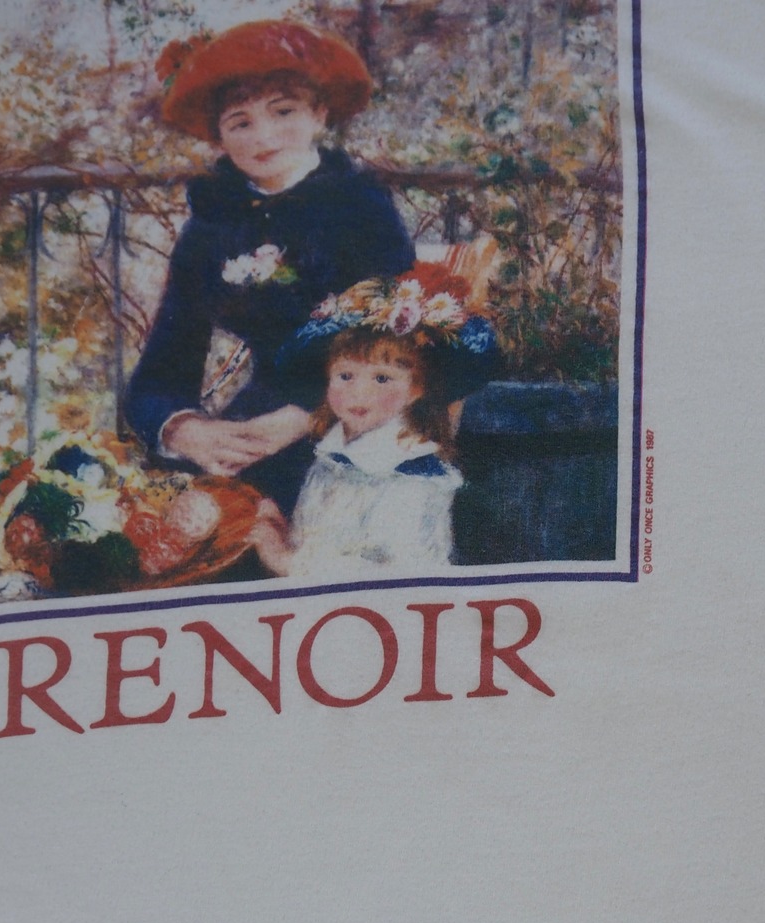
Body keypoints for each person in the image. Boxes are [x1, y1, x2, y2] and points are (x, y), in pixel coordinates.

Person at [124, 20, 415, 519]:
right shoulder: (214, 224)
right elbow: (161, 370)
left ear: (318, 113)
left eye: (283, 112)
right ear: (219, 135)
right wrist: (187, 430)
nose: (263, 137)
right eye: (240, 122)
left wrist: (306, 415)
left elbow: (402, 345)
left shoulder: (360, 207)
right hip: (254, 430)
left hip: (362, 427)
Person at [256, 265, 500, 581]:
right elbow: (323, 542)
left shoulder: (409, 478)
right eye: (346, 376)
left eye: (382, 378)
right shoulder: (334, 455)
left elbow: (390, 579)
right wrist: (282, 532)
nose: (360, 393)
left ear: (416, 389)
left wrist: (285, 561)